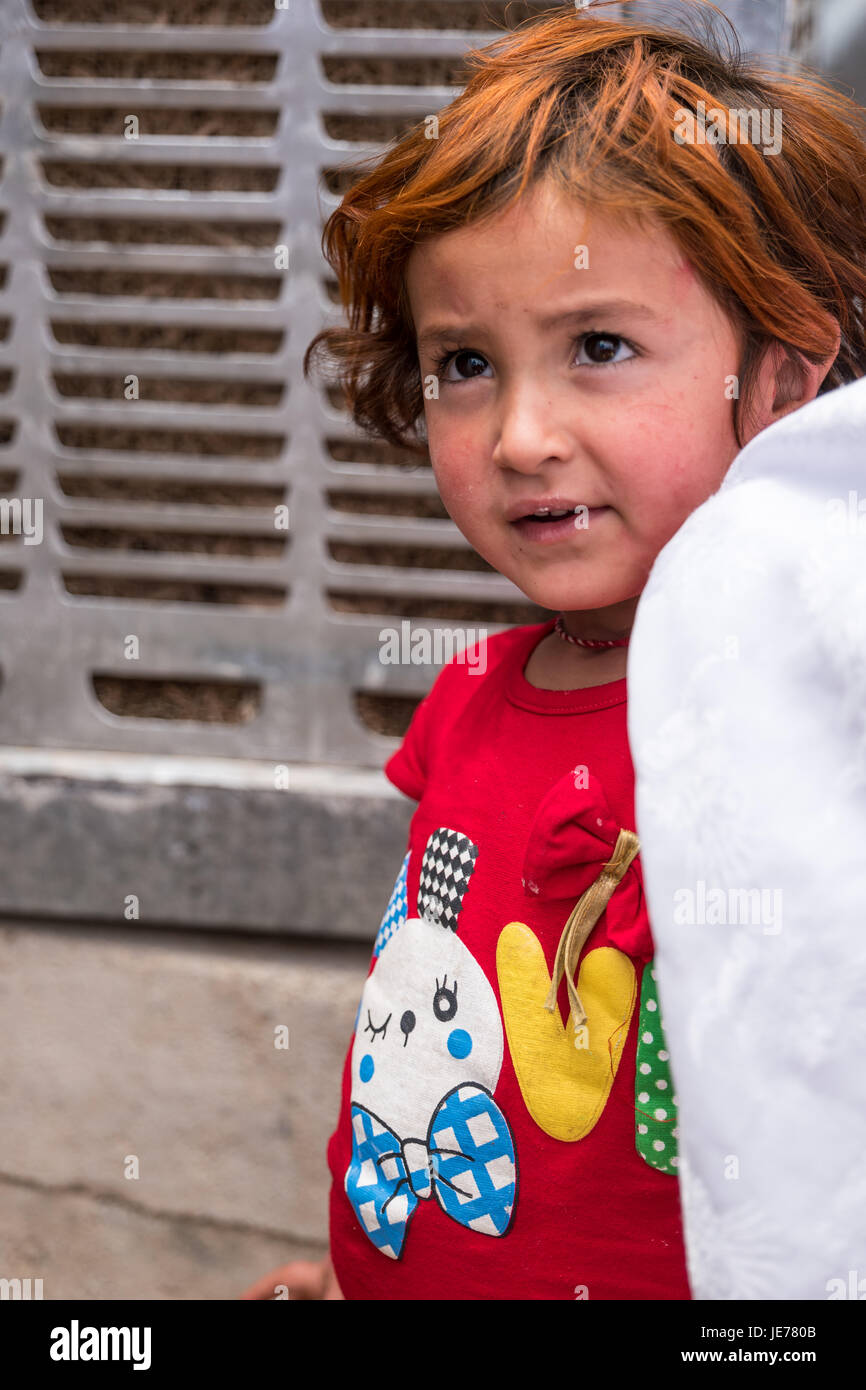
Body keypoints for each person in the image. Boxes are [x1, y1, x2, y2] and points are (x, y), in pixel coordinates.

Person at [241, 0, 866, 1300]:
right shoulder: (468, 698)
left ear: (784, 373)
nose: (520, 434)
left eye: (598, 347)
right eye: (463, 362)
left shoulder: (808, 706)